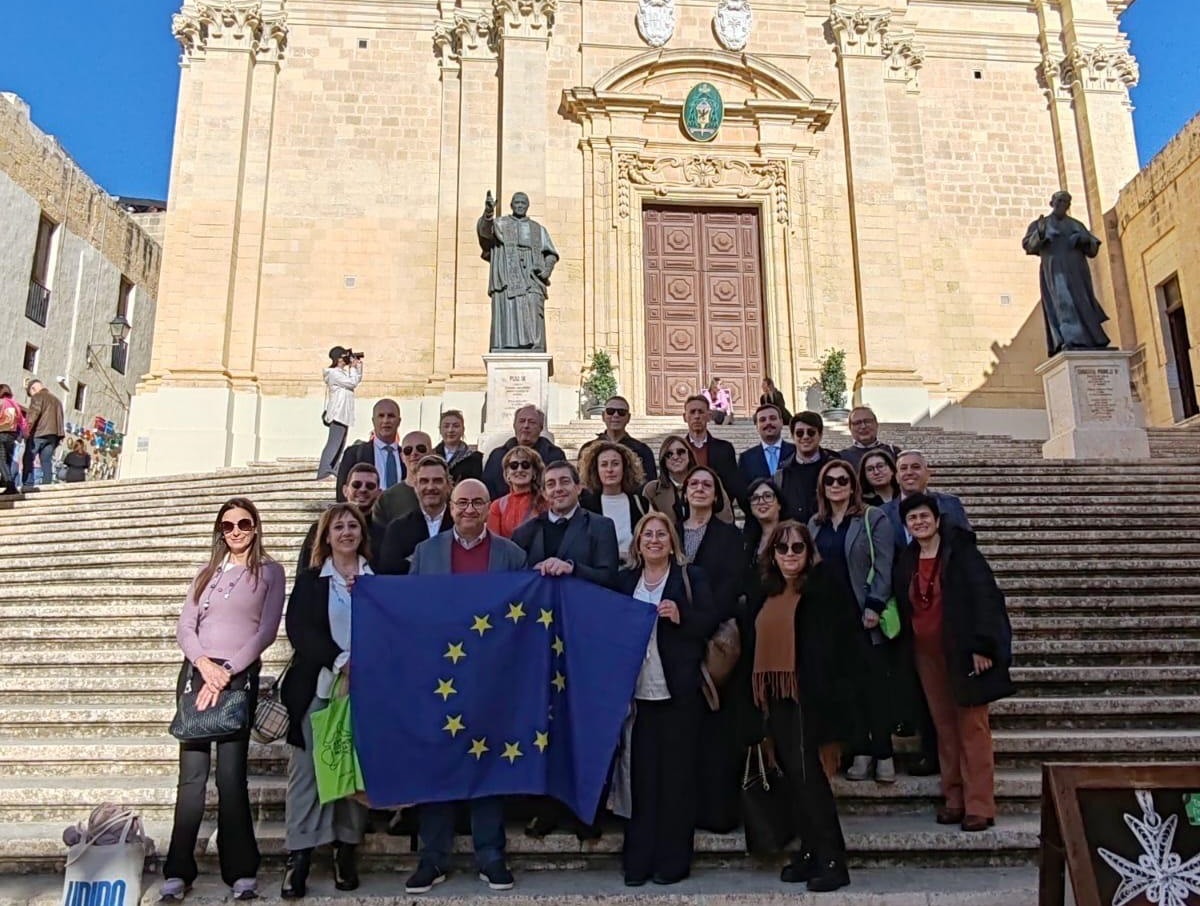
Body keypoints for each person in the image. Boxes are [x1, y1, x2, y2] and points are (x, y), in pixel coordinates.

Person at [404, 479, 526, 894]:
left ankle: (491, 856)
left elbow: (522, 618)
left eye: (477, 502)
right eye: (462, 503)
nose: (469, 509)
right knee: (437, 764)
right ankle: (432, 858)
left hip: (491, 678)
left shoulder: (512, 555)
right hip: (440, 678)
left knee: (487, 763)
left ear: (489, 507)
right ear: (451, 507)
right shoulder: (426, 553)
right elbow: (410, 612)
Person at [163, 498, 285, 902]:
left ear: (256, 527)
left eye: (244, 524)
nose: (236, 531)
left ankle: (241, 870)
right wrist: (203, 664)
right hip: (197, 675)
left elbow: (266, 631)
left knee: (231, 777)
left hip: (237, 678)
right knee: (192, 778)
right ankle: (178, 869)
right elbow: (185, 626)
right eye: (228, 525)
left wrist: (226, 670)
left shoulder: (269, 571)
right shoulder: (205, 573)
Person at [736, 520, 854, 892]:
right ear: (772, 554)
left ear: (809, 552)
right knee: (793, 779)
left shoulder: (822, 590)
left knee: (810, 780)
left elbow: (836, 650)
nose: (789, 555)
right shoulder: (765, 591)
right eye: (782, 548)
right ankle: (809, 850)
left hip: (807, 697)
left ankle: (833, 859)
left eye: (797, 548)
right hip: (773, 699)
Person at [895, 493, 1015, 831]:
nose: (919, 523)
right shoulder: (908, 559)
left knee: (972, 728)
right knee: (944, 728)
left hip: (961, 650)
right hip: (925, 653)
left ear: (936, 519)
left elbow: (985, 597)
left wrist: (983, 646)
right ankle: (954, 797)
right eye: (913, 519)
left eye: (924, 517)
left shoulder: (961, 554)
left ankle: (980, 804)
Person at [514, 461, 620, 838]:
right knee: (546, 726)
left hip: (584, 639)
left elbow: (611, 577)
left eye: (564, 482)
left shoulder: (600, 526)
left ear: (578, 488)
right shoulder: (527, 531)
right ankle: (547, 807)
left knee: (584, 724)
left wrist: (572, 567)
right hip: (542, 644)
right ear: (543, 491)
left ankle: (586, 810)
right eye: (550, 484)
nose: (557, 489)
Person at [616, 513, 717, 887]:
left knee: (676, 781)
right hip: (638, 696)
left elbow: (710, 619)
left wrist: (682, 615)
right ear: (638, 543)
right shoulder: (627, 580)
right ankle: (638, 861)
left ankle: (673, 861)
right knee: (641, 781)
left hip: (678, 693)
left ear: (672, 542)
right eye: (648, 535)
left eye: (661, 534)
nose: (654, 540)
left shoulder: (691, 577)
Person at [281, 504, 373, 898]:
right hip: (319, 687)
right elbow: (300, 630)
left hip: (367, 692)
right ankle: (299, 856)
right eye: (339, 527)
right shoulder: (311, 581)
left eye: (353, 525)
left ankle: (345, 850)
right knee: (308, 773)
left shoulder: (377, 579)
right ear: (327, 536)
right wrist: (340, 661)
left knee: (354, 770)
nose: (347, 532)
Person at [807, 459, 896, 783]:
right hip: (830, 619)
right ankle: (860, 750)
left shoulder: (873, 518)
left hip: (864, 614)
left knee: (874, 686)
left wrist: (875, 604)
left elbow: (885, 564)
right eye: (829, 481)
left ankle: (884, 752)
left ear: (853, 485)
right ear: (822, 487)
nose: (836, 485)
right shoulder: (815, 524)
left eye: (842, 480)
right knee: (847, 688)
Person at [675, 465, 744, 832]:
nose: (700, 489)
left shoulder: (730, 536)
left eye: (707, 484)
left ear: (716, 496)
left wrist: (696, 622)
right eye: (694, 484)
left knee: (716, 729)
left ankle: (718, 812)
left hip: (714, 641)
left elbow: (731, 586)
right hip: (676, 644)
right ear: (684, 493)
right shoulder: (669, 531)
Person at [1022, 190, 1110, 355]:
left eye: (1066, 202)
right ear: (1052, 203)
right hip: (1054, 272)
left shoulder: (1076, 225)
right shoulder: (1040, 224)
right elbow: (1029, 246)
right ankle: (1069, 339)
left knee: (1083, 302)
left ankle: (1093, 339)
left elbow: (1092, 249)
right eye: (1059, 201)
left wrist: (1084, 240)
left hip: (1077, 271)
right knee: (1062, 303)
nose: (1062, 205)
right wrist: (1040, 234)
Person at [477, 191, 559, 353]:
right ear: (511, 205)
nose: (520, 206)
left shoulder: (538, 229)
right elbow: (485, 234)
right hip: (508, 271)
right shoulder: (500, 224)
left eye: (523, 203)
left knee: (534, 307)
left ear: (528, 206)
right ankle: (507, 344)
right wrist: (488, 214)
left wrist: (546, 270)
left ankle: (534, 345)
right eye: (517, 203)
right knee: (509, 307)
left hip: (532, 274)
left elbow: (551, 253)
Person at [298, 464, 385, 573]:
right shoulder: (319, 528)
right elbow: (304, 571)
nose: (363, 489)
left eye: (370, 486)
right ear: (345, 490)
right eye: (356, 485)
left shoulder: (384, 532)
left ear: (379, 493)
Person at [377, 455, 454, 574]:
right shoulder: (397, 528)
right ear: (415, 486)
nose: (430, 487)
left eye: (437, 481)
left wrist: (415, 560)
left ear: (448, 485)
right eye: (424, 481)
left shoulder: (460, 525)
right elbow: (388, 570)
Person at [883, 450, 973, 549]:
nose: (909, 472)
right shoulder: (883, 512)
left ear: (928, 473)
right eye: (903, 468)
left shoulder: (950, 504)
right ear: (896, 477)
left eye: (916, 467)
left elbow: (967, 544)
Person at [579, 441, 649, 559]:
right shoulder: (584, 505)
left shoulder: (640, 503)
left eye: (615, 464)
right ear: (596, 469)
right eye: (604, 464)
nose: (610, 470)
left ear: (624, 468)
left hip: (633, 570)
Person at [642, 435, 733, 525]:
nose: (675, 457)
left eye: (680, 452)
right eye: (669, 454)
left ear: (689, 454)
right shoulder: (652, 490)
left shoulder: (710, 481)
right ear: (663, 460)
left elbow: (726, 518)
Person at [482, 406, 565, 499]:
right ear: (514, 426)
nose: (526, 426)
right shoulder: (497, 456)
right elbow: (487, 490)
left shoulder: (554, 455)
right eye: (522, 421)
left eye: (532, 422)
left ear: (541, 428)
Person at [681, 395, 746, 514]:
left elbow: (732, 484)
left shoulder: (724, 449)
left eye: (701, 412)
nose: (696, 416)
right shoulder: (677, 450)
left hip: (718, 513)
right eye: (692, 412)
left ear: (709, 416)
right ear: (685, 417)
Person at [773, 411, 840, 524]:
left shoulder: (835, 467)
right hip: (795, 538)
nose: (805, 437)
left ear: (820, 434)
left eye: (811, 432)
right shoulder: (782, 474)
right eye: (799, 433)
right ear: (793, 436)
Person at [578, 395, 657, 484]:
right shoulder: (588, 449)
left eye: (621, 412)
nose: (616, 415)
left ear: (628, 418)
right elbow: (581, 482)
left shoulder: (642, 450)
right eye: (610, 411)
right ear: (603, 416)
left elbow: (650, 485)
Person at [335, 398, 403, 500]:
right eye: (381, 416)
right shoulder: (353, 454)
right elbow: (342, 494)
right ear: (373, 421)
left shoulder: (408, 455)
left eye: (391, 416)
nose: (386, 420)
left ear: (399, 421)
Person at [370, 429, 434, 527]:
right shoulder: (387, 499)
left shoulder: (446, 494)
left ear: (432, 453)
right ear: (402, 457)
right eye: (408, 450)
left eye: (421, 448)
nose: (414, 453)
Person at [317, 347, 363, 480]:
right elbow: (352, 383)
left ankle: (333, 467)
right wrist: (353, 368)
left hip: (344, 412)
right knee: (334, 442)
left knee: (341, 442)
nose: (347, 359)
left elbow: (355, 381)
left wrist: (357, 367)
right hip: (338, 412)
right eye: (344, 356)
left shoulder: (341, 373)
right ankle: (324, 470)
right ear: (338, 359)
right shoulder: (333, 373)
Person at [486, 447, 547, 539]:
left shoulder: (545, 502)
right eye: (514, 465)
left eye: (525, 465)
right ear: (507, 474)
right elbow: (493, 543)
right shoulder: (497, 506)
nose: (519, 470)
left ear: (534, 472)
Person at [742, 477, 786, 593]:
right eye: (755, 498)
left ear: (779, 504)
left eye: (767, 496)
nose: (761, 501)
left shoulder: (791, 535)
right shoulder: (750, 542)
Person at [738, 403, 796, 486]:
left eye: (772, 418)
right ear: (757, 427)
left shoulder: (796, 451)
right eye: (762, 420)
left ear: (781, 423)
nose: (768, 422)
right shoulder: (746, 458)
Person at [22, 379, 64, 488]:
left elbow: (33, 414)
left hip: (39, 433)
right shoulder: (57, 400)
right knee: (46, 461)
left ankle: (28, 484)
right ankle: (47, 486)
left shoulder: (38, 397)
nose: (32, 396)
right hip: (53, 436)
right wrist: (59, 437)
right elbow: (60, 419)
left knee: (28, 458)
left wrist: (26, 431)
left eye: (30, 394)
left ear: (33, 388)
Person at [838, 407, 901, 472]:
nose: (863, 426)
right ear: (850, 428)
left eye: (867, 421)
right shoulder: (841, 457)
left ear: (876, 424)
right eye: (857, 423)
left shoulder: (893, 453)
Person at [433, 410, 483, 484]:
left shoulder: (474, 458)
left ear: (463, 429)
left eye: (456, 426)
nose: (450, 430)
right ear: (440, 430)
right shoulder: (431, 456)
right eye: (446, 426)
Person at [0, 385, 28, 495]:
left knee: (1, 459)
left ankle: (9, 484)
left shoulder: (1, 402)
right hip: (12, 435)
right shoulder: (15, 404)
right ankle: (8, 484)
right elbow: (22, 421)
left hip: (1, 432)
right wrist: (24, 434)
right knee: (7, 460)